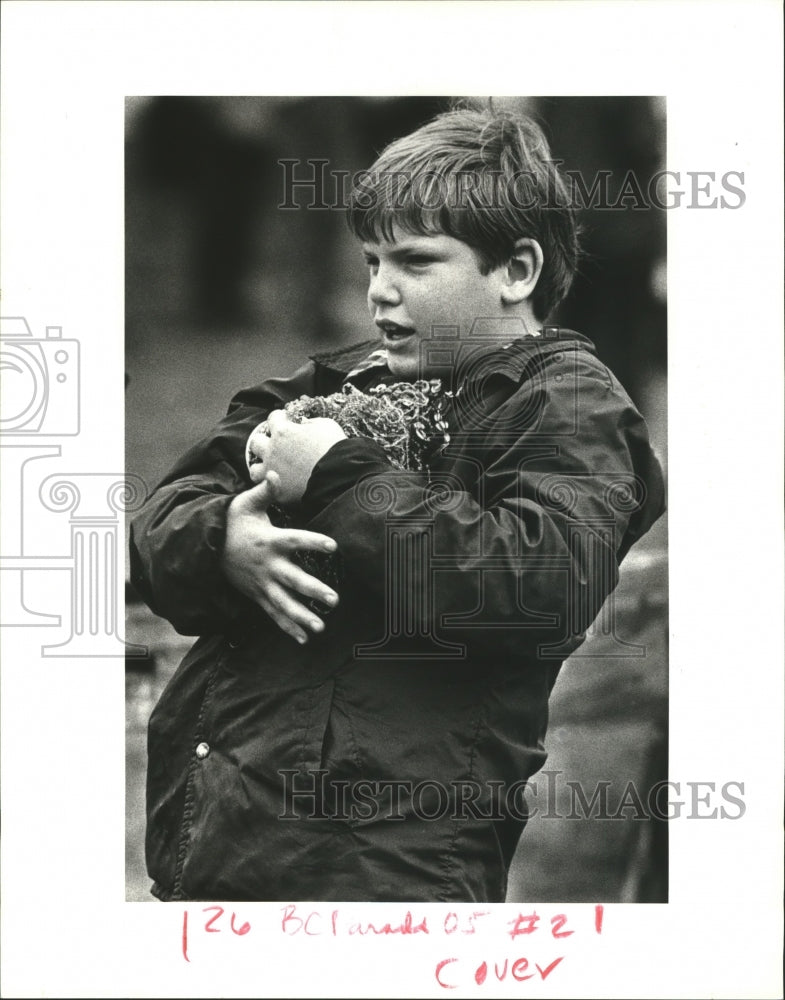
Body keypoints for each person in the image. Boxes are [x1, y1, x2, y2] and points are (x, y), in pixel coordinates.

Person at [130, 106, 666, 903]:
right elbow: (159, 522)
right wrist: (221, 540)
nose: (379, 291)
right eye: (371, 260)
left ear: (515, 271)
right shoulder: (329, 384)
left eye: (415, 261)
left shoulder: (568, 405)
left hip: (394, 861)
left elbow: (539, 587)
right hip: (222, 836)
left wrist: (340, 478)